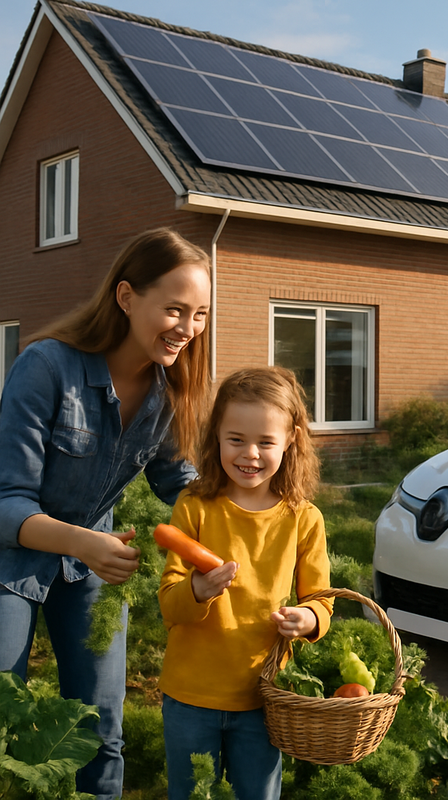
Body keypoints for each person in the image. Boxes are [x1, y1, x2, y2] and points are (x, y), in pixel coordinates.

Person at [0, 227, 212, 800]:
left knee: (101, 728)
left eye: (198, 315)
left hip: (92, 562)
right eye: (174, 309)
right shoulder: (45, 366)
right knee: (3, 717)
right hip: (10, 560)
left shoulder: (168, 392)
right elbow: (6, 503)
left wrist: (240, 509)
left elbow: (178, 483)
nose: (188, 329)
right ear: (125, 297)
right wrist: (83, 543)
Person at [158, 366, 333, 800]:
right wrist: (198, 590)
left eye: (266, 442)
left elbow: (322, 601)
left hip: (262, 697)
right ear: (216, 434)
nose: (249, 454)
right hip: (190, 695)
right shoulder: (195, 507)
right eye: (235, 439)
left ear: (291, 439)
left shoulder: (303, 519)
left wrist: (307, 619)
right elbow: (169, 606)